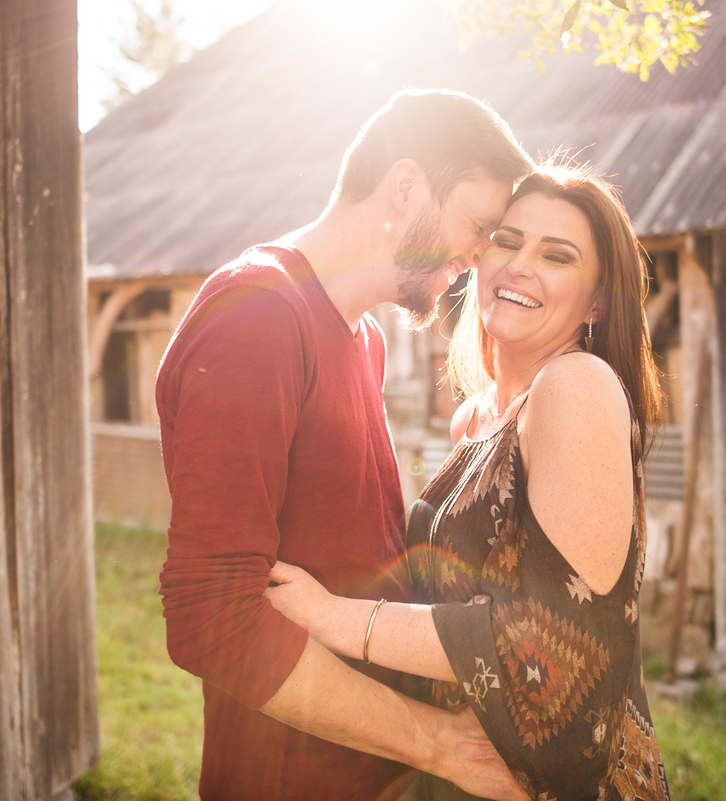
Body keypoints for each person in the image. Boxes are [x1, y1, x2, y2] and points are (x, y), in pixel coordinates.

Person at [155, 89, 534, 801]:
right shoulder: (259, 316)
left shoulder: (364, 340)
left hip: (375, 770)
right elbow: (209, 616)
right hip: (288, 778)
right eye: (479, 226)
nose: (482, 258)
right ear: (404, 186)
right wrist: (438, 740)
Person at [266, 161, 672, 801]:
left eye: (557, 256)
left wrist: (334, 617)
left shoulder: (578, 386)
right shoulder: (475, 417)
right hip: (463, 768)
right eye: (507, 241)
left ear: (597, 300)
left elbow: (552, 643)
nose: (519, 265)